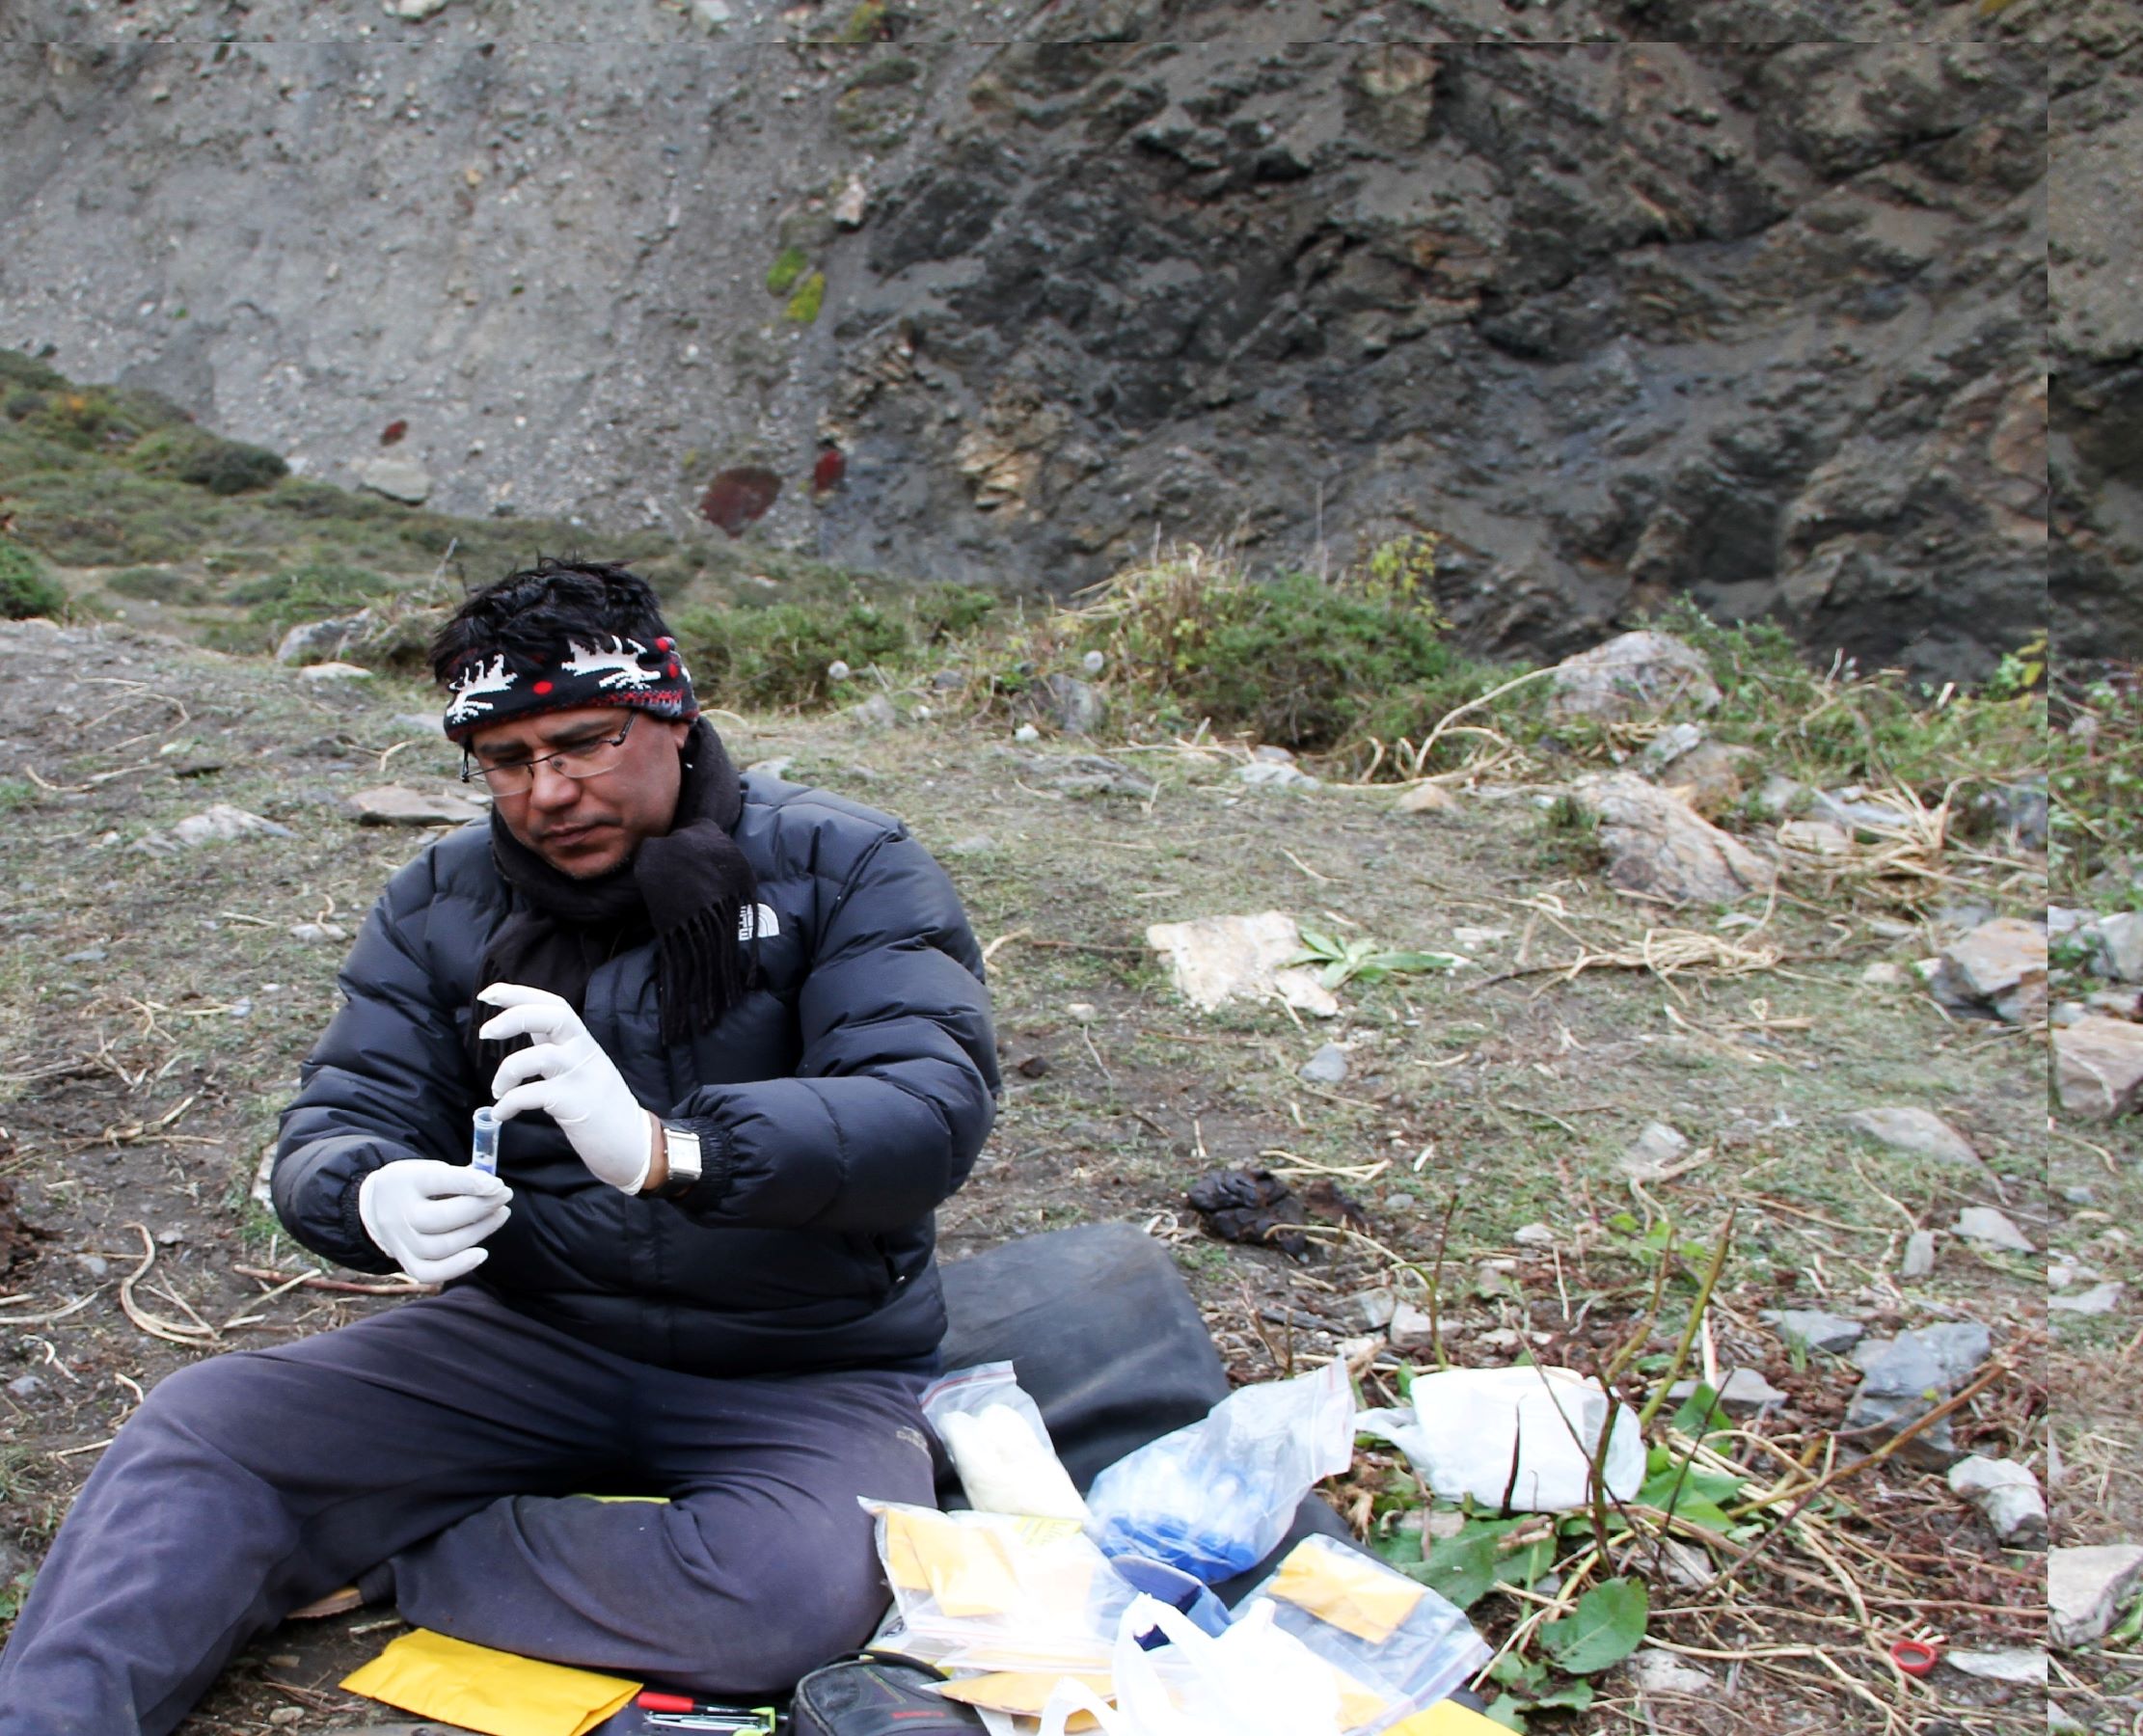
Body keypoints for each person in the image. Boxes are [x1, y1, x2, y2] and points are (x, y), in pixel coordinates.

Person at [0, 558, 1000, 1735]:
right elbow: (344, 1112)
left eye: (583, 743)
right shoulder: (441, 899)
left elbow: (925, 1110)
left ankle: (409, 1547)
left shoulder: (846, 864)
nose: (549, 792)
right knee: (208, 1427)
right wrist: (361, 1194)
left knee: (782, 1598)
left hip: (799, 1357)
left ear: (669, 716)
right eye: (507, 762)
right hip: (529, 1330)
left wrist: (671, 1150)